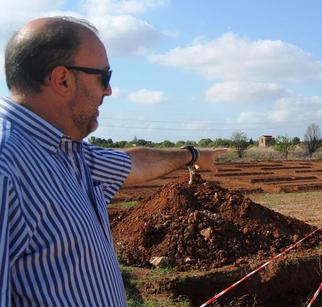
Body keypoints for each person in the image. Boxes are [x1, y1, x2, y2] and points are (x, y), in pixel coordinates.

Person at [0, 17, 227, 306]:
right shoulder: (7, 163)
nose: (108, 91)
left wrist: (193, 156)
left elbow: (136, 163)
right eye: (104, 77)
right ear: (63, 80)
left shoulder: (67, 152)